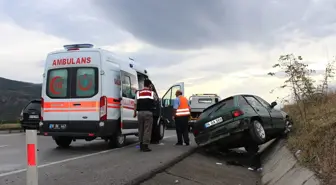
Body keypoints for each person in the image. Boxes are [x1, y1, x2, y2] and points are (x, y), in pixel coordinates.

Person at [133, 79, 157, 152]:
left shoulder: (138, 93)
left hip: (140, 113)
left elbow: (135, 104)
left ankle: (140, 145)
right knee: (147, 129)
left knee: (141, 129)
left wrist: (134, 113)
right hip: (148, 113)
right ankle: (145, 146)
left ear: (144, 85)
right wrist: (152, 89)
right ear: (150, 85)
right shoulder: (152, 93)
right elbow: (156, 100)